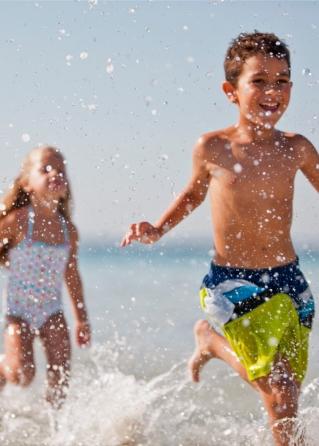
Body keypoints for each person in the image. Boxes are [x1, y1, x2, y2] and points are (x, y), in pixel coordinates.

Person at [121, 32, 319, 445]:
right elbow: (193, 194)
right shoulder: (214, 148)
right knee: (280, 395)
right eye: (259, 81)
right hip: (232, 284)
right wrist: (157, 229)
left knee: (286, 393)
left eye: (282, 81)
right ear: (231, 91)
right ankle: (212, 337)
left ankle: (211, 342)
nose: (272, 92)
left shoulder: (297, 149)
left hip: (291, 284)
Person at [0, 146, 90, 407]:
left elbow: (71, 275)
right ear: (27, 183)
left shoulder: (67, 231)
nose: (55, 173)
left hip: (52, 310)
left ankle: (57, 432)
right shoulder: (17, 222)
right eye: (46, 169)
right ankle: (3, 366)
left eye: (61, 169)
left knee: (60, 377)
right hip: (19, 310)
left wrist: (81, 319)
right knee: (22, 374)